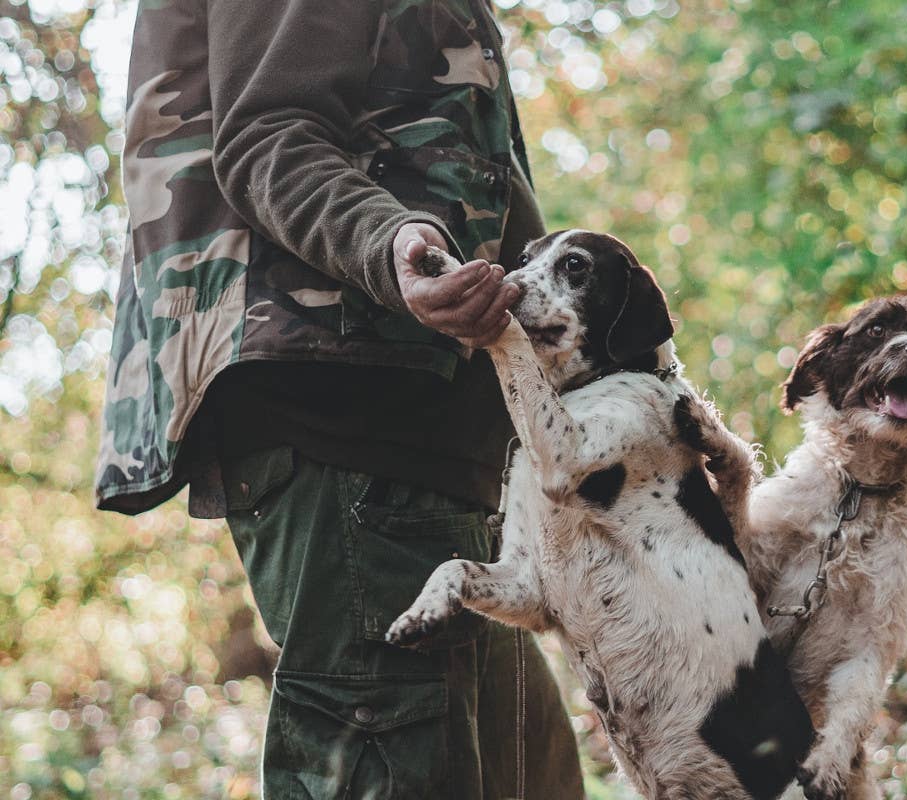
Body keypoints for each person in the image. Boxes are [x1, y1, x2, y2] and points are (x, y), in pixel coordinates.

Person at [95, 1, 586, 797]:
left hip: (443, 453)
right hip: (353, 425)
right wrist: (387, 243)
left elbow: (490, 192)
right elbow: (265, 136)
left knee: (534, 779)